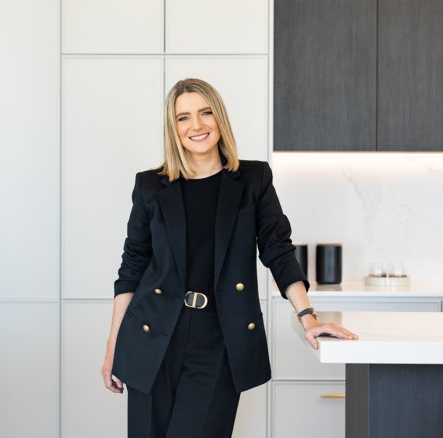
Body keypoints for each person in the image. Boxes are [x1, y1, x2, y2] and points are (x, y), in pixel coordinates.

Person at [101, 78, 357, 438]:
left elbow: (277, 248)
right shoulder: (150, 186)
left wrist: (308, 316)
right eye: (183, 117)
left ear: (219, 118)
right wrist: (113, 346)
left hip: (218, 337)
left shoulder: (253, 179)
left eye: (205, 113)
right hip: (151, 335)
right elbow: (132, 267)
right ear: (173, 128)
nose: (197, 125)